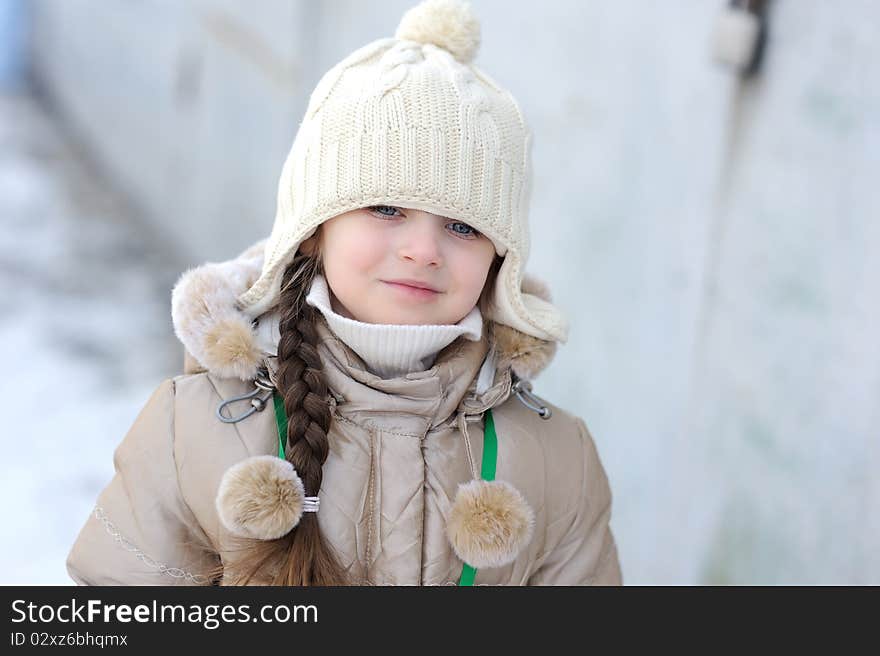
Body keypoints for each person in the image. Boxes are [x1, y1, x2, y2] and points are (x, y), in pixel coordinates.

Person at [66, 0, 622, 586]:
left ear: (498, 263)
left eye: (463, 226)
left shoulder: (556, 459)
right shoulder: (199, 430)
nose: (423, 250)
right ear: (312, 233)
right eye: (386, 208)